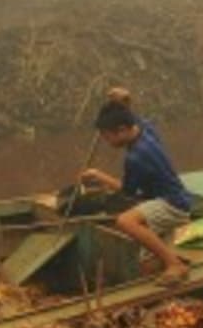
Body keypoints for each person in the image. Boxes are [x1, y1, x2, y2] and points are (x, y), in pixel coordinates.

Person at [80, 100, 194, 287]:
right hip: (169, 199)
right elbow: (134, 115)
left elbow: (127, 191)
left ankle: (175, 264)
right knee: (147, 266)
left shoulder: (137, 157)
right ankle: (164, 271)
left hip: (171, 205)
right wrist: (123, 101)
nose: (107, 142)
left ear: (122, 130)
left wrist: (98, 176)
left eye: (108, 136)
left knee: (126, 221)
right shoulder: (145, 129)